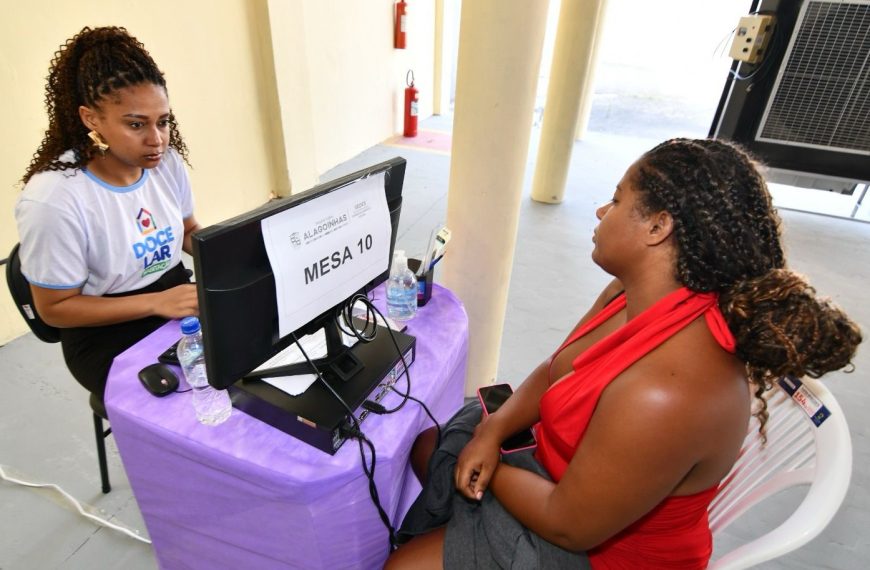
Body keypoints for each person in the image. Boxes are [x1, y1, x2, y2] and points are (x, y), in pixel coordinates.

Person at [386, 138, 862, 569]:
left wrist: (492, 460)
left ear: (657, 227)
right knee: (429, 448)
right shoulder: (629, 291)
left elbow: (569, 524)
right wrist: (493, 432)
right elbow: (556, 369)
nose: (599, 211)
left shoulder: (667, 392)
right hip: (561, 478)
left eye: (616, 200)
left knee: (403, 564)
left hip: (593, 549)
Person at [15, 26, 200, 402]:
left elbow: (188, 230)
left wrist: (245, 254)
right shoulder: (53, 200)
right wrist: (155, 303)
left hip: (178, 296)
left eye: (162, 121)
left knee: (256, 362)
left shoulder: (165, 163)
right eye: (136, 124)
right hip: (105, 332)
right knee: (187, 407)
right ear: (90, 118)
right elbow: (55, 309)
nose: (157, 139)